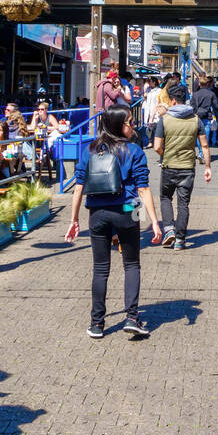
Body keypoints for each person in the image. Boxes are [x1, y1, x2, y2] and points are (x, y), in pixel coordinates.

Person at [64, 107, 163, 339]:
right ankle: (132, 317)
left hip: (97, 213)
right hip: (129, 210)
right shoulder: (134, 151)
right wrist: (155, 223)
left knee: (100, 269)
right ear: (119, 125)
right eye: (129, 122)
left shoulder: (90, 149)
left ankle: (97, 324)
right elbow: (143, 188)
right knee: (131, 265)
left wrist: (74, 220)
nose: (133, 125)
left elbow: (78, 186)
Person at [153, 82, 212, 251]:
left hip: (169, 166)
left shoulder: (164, 120)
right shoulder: (196, 120)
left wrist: (165, 155)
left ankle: (169, 229)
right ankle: (180, 240)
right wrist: (207, 167)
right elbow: (205, 145)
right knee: (183, 203)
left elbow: (157, 146)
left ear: (172, 101)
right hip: (188, 167)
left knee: (165, 198)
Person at [192, 76, 218, 146]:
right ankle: (204, 152)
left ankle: (201, 152)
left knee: (198, 136)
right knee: (205, 136)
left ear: (199, 84)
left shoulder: (195, 94)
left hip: (197, 116)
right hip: (207, 115)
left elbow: (193, 106)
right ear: (207, 84)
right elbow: (216, 105)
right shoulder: (211, 94)